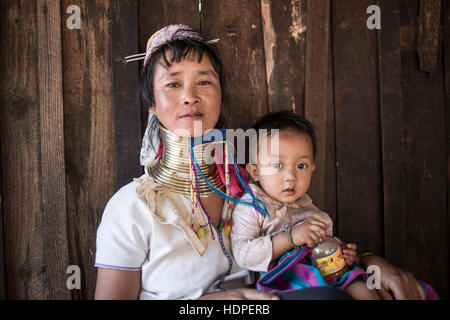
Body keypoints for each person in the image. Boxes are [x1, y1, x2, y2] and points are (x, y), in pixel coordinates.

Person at [94, 24, 427, 300]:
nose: (189, 95)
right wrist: (214, 303)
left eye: (204, 81)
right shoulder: (132, 209)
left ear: (220, 94)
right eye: (173, 83)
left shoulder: (254, 185)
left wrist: (369, 264)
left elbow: (305, 248)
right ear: (150, 104)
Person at [231, 111, 380, 299]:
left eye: (301, 166)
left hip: (317, 281)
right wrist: (291, 238)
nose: (291, 176)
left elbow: (323, 263)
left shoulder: (317, 217)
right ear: (255, 171)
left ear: (312, 169)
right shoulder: (251, 206)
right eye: (277, 165)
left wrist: (341, 259)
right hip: (277, 287)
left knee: (364, 291)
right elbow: (243, 255)